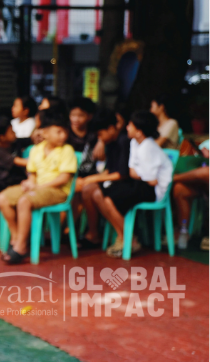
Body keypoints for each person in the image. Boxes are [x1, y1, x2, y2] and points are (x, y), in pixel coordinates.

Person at [0, 108, 78, 264]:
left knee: (24, 201)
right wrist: (31, 183)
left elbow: (63, 178)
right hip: (38, 189)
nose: (63, 136)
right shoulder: (36, 150)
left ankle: (21, 247)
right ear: (45, 133)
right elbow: (32, 173)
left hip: (58, 191)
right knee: (3, 197)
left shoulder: (67, 150)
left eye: (64, 132)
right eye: (58, 132)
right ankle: (16, 237)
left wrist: (39, 187)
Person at [95, 109, 173, 258]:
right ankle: (126, 237)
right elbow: (132, 172)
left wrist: (139, 173)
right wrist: (139, 173)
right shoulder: (134, 143)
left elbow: (152, 180)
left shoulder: (148, 147)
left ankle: (129, 238)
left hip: (154, 191)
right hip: (141, 183)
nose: (126, 128)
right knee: (106, 194)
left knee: (110, 197)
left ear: (139, 131)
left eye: (130, 125)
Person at [76, 108, 131, 249]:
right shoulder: (110, 142)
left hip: (127, 184)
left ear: (111, 128)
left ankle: (124, 234)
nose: (99, 138)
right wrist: (91, 179)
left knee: (97, 193)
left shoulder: (123, 141)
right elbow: (109, 170)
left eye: (100, 134)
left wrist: (93, 179)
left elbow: (122, 174)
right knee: (87, 189)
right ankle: (93, 233)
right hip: (113, 180)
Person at [172, 142, 210, 249]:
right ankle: (183, 230)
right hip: (203, 183)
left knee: (206, 172)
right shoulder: (207, 142)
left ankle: (173, 178)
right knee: (179, 189)